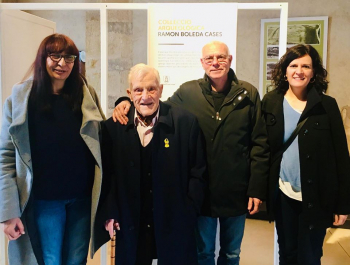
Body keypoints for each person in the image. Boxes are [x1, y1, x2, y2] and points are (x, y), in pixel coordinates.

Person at [113, 41, 269, 265]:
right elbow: (154, 104)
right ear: (202, 62)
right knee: (203, 252)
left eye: (221, 57)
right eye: (209, 58)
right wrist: (125, 102)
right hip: (204, 191)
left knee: (232, 252)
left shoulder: (249, 93)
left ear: (230, 59)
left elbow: (259, 143)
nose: (215, 62)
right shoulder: (188, 91)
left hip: (237, 189)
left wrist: (256, 188)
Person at [0, 33, 105, 265]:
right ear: (42, 58)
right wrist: (7, 212)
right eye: (55, 56)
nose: (62, 63)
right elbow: (5, 158)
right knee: (50, 260)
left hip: (81, 198)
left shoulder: (86, 94)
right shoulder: (21, 98)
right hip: (44, 201)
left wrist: (122, 104)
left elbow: (103, 142)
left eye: (69, 57)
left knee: (76, 261)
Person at [93, 63, 206, 265]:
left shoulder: (185, 123)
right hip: (131, 219)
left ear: (160, 89)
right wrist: (111, 212)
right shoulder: (112, 128)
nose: (145, 96)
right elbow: (107, 175)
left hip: (174, 217)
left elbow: (198, 172)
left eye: (151, 89)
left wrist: (189, 210)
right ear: (129, 93)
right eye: (138, 90)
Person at [262, 44, 350, 264]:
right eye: (293, 65)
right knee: (288, 253)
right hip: (283, 193)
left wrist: (343, 205)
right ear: (285, 70)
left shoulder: (327, 106)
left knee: (310, 255)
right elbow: (262, 148)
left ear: (313, 73)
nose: (298, 71)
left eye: (305, 66)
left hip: (318, 195)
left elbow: (341, 157)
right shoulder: (271, 102)